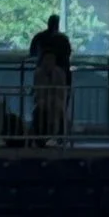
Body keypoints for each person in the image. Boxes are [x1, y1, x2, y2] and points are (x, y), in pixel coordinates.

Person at [29, 14, 72, 142]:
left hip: (56, 76)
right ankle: (57, 136)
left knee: (54, 107)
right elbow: (68, 54)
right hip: (61, 72)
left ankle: (45, 134)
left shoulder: (40, 37)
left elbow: (32, 52)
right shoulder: (62, 39)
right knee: (59, 107)